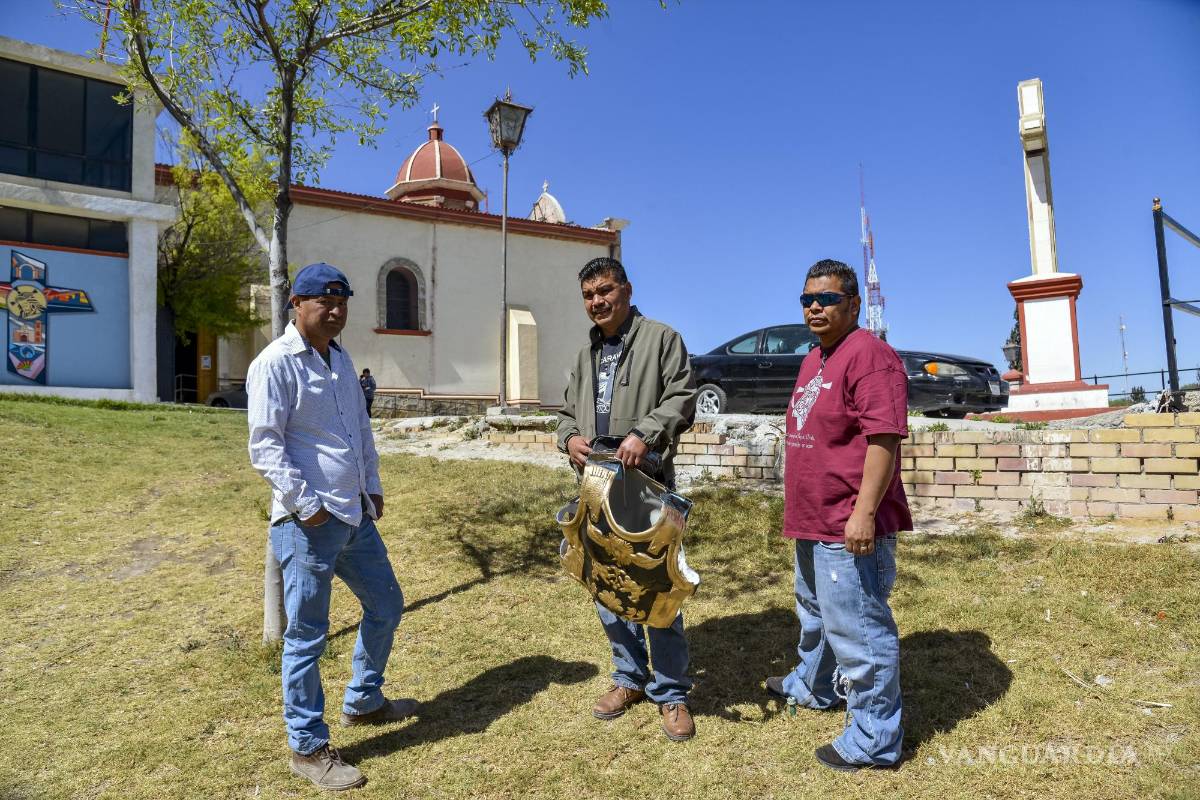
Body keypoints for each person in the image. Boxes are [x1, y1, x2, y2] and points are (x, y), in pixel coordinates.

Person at [247, 262, 416, 791]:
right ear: (296, 303)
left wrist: (373, 484)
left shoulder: (340, 359)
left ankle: (364, 701)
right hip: (306, 524)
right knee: (306, 637)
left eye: (343, 302)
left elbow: (358, 429)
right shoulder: (275, 363)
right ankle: (307, 746)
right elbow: (265, 446)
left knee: (386, 604)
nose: (337, 311)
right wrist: (306, 505)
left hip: (354, 516)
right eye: (325, 302)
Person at [766, 258, 910, 771]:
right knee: (815, 612)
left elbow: (884, 439)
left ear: (853, 302)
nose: (813, 307)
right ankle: (815, 686)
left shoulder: (871, 357)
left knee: (860, 632)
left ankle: (875, 740)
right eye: (806, 299)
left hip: (849, 521)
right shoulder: (814, 358)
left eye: (825, 298)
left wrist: (864, 513)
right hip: (812, 516)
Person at [556, 256, 699, 742]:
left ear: (627, 290)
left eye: (605, 291)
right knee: (607, 581)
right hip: (594, 481)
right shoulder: (584, 353)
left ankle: (672, 691)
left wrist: (645, 434)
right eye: (588, 295)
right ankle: (628, 676)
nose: (597, 301)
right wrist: (568, 437)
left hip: (646, 480)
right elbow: (564, 412)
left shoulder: (662, 339)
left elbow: (682, 396)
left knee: (655, 583)